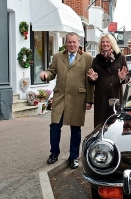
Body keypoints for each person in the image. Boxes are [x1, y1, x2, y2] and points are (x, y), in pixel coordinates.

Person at [39, 32, 94, 169]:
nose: (72, 45)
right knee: (55, 126)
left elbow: (90, 81)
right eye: (69, 42)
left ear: (79, 42)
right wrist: (46, 75)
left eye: (74, 42)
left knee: (76, 129)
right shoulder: (58, 57)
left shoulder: (87, 58)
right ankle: (54, 153)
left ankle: (73, 157)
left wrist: (89, 100)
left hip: (78, 98)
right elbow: (52, 71)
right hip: (60, 97)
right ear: (65, 43)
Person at [87, 34, 130, 128]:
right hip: (101, 98)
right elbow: (90, 79)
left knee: (115, 125)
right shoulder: (96, 60)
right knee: (101, 126)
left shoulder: (120, 58)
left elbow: (127, 78)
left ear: (112, 43)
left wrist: (122, 78)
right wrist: (92, 79)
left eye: (107, 42)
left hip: (115, 96)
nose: (105, 44)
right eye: (103, 42)